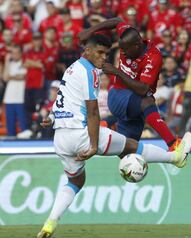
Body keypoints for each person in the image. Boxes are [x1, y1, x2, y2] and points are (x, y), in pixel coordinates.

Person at [36, 34, 191, 238]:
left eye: (107, 54)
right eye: (100, 53)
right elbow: (93, 112)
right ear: (87, 51)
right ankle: (175, 157)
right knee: (131, 146)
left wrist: (51, 118)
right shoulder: (90, 72)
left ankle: (50, 222)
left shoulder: (71, 68)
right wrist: (93, 145)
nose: (103, 58)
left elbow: (62, 101)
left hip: (61, 139)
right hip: (82, 134)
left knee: (75, 181)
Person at [78, 18, 185, 151]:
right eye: (121, 48)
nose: (122, 53)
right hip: (118, 95)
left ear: (136, 46)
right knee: (148, 102)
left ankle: (103, 128)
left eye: (125, 49)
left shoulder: (153, 57)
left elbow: (143, 89)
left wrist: (117, 72)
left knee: (129, 150)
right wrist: (90, 31)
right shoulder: (128, 34)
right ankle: (173, 144)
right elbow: (117, 21)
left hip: (134, 103)